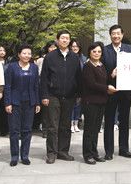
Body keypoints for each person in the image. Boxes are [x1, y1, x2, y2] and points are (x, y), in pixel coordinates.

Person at [40, 30, 82, 164]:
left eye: (67, 38)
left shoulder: (74, 57)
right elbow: (44, 77)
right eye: (62, 38)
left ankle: (63, 151)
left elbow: (78, 77)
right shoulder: (50, 57)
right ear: (57, 40)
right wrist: (44, 95)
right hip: (53, 95)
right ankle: (51, 153)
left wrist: (78, 94)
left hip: (69, 96)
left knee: (65, 125)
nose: (65, 40)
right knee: (53, 126)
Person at [102, 25, 131, 160]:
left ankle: (124, 149)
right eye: (113, 34)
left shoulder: (130, 49)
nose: (116, 36)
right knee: (109, 121)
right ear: (110, 35)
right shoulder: (104, 50)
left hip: (126, 91)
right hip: (111, 91)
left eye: (118, 33)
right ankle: (108, 151)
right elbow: (100, 71)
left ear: (122, 34)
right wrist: (110, 76)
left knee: (124, 121)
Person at [4, 44, 41, 166]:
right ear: (19, 54)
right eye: (24, 53)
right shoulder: (12, 67)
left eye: (29, 53)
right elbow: (8, 86)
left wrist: (37, 102)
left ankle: (25, 155)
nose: (27, 55)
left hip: (29, 103)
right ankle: (14, 156)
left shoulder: (34, 67)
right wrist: (7, 102)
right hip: (15, 103)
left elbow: (36, 86)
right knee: (14, 130)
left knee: (27, 130)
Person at [80, 42, 108, 164]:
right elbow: (91, 84)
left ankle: (94, 152)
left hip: (101, 101)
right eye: (94, 51)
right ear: (89, 52)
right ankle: (87, 155)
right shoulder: (88, 66)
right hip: (90, 102)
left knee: (96, 129)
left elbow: (104, 80)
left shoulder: (101, 65)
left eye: (99, 51)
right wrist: (107, 88)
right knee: (89, 129)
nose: (97, 53)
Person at [70, 39, 86, 134]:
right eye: (73, 46)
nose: (75, 48)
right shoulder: (68, 57)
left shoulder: (83, 58)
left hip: (80, 85)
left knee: (78, 105)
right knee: (71, 105)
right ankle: (71, 124)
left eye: (76, 46)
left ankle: (76, 124)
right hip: (70, 85)